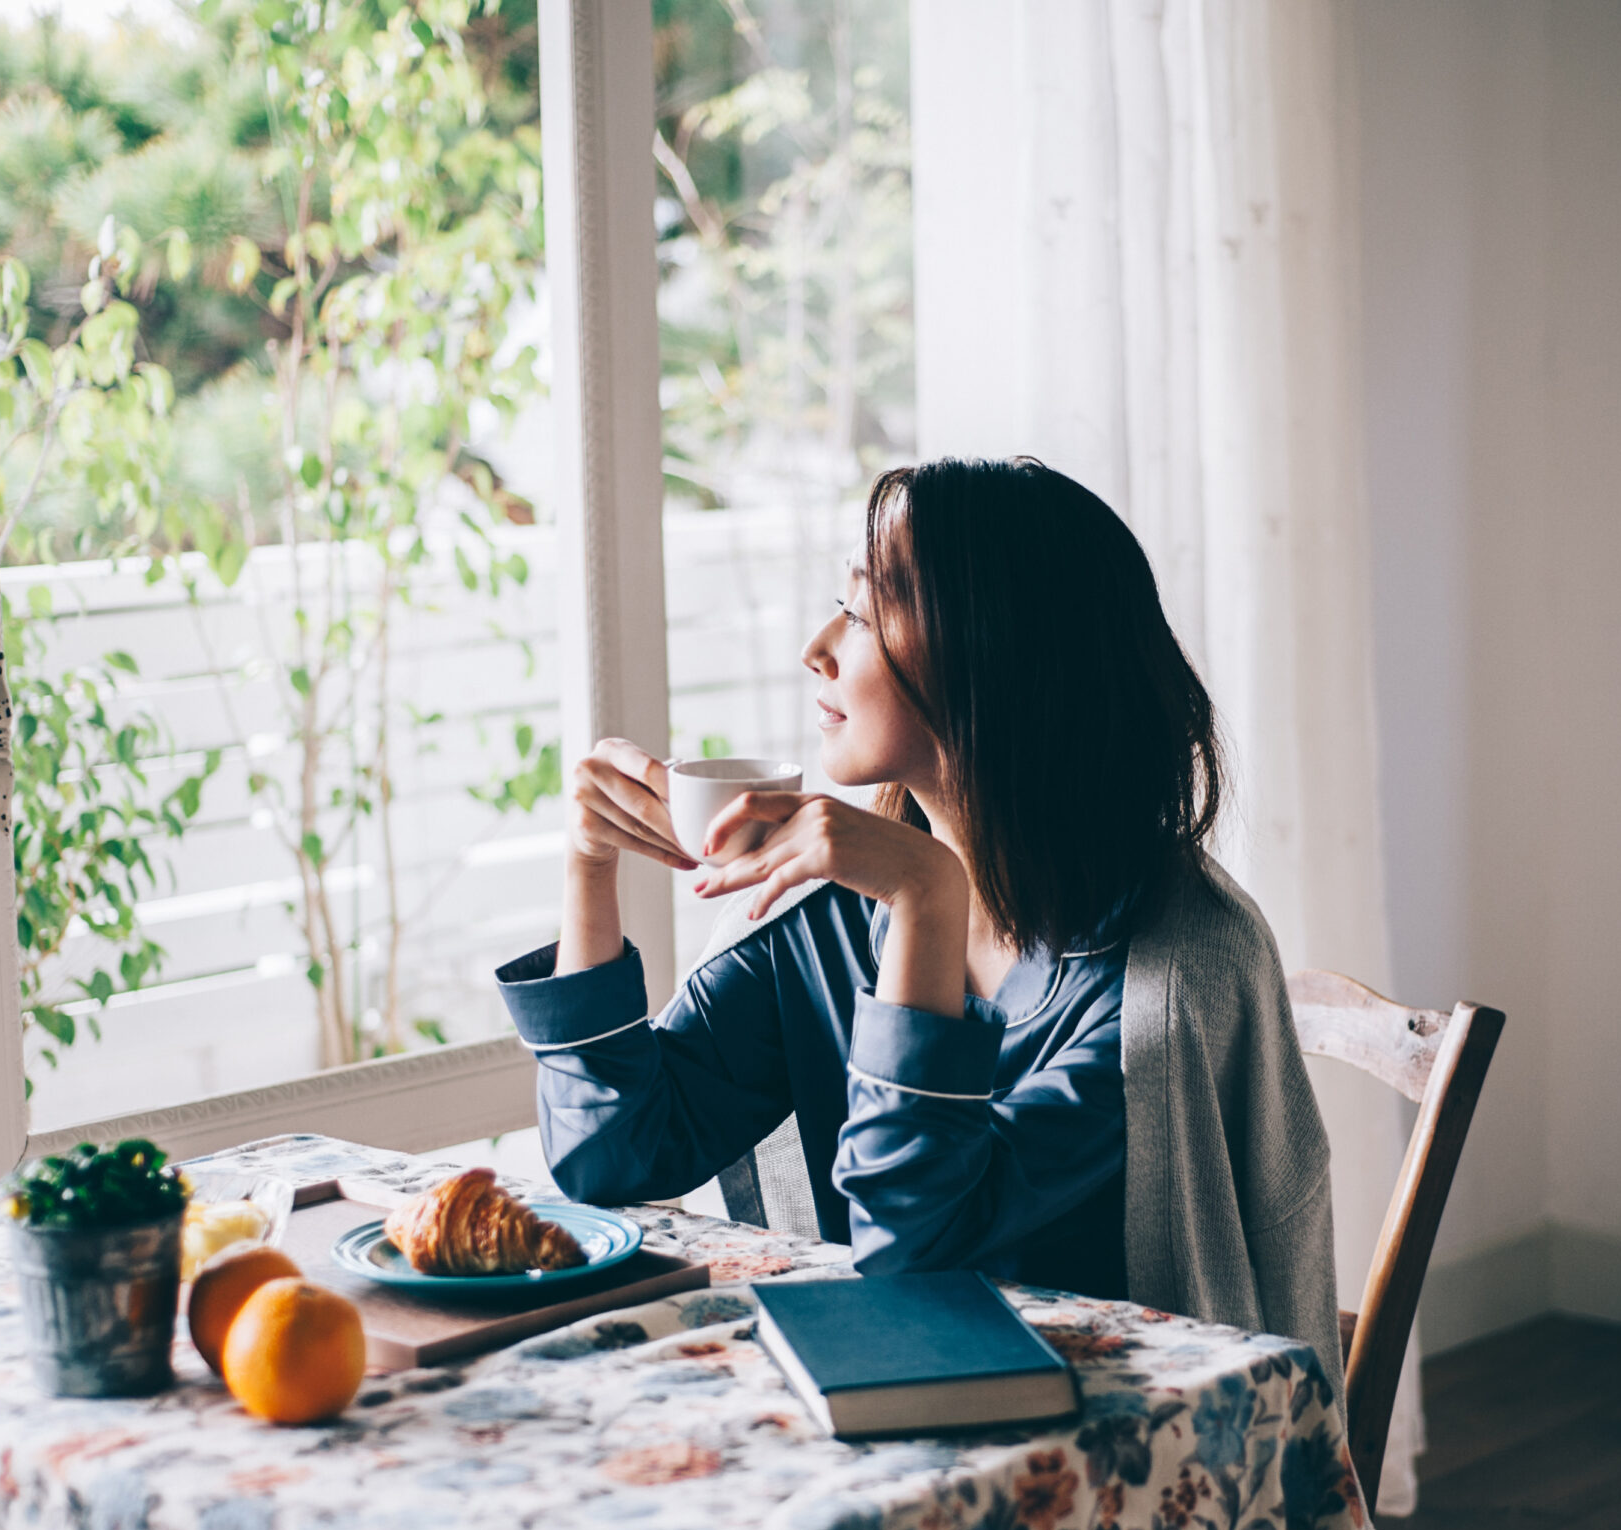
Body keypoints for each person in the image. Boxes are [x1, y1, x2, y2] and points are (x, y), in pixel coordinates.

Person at [494, 458, 1348, 1366]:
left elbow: (921, 1251)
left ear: (997, 652)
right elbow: (612, 1152)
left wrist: (925, 898)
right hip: (864, 1406)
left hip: (1099, 1458)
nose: (818, 645)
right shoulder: (822, 914)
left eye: (863, 613)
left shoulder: (1162, 982)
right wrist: (589, 865)